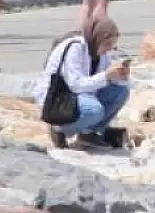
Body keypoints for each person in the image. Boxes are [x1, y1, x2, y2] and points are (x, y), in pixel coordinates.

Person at [37, 16, 131, 151]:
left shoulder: (99, 53)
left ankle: (89, 133)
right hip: (60, 98)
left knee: (121, 91)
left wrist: (120, 76)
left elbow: (104, 79)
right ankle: (59, 129)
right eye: (107, 44)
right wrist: (106, 75)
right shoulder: (75, 48)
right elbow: (75, 84)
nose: (109, 49)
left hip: (82, 95)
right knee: (94, 110)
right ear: (98, 38)